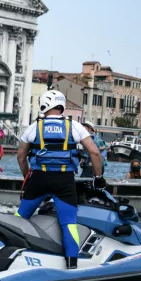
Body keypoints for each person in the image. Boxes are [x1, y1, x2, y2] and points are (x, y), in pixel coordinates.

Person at [16, 90, 104, 270]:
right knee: (69, 223)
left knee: (20, 217)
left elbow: (21, 156)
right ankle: (72, 265)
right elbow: (95, 152)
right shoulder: (75, 126)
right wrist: (98, 178)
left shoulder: (34, 127)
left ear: (43, 105)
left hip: (39, 179)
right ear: (61, 105)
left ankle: (10, 253)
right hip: (64, 181)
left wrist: (28, 177)